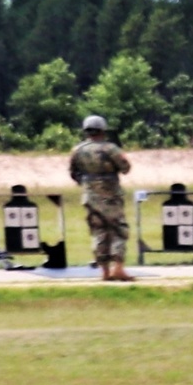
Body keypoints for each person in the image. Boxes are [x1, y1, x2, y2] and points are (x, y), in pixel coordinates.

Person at [69, 115, 134, 281]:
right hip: (111, 195)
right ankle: (118, 268)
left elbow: (73, 173)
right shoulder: (110, 149)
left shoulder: (77, 150)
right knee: (118, 229)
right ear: (103, 129)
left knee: (99, 232)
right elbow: (125, 167)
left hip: (90, 197)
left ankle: (104, 271)